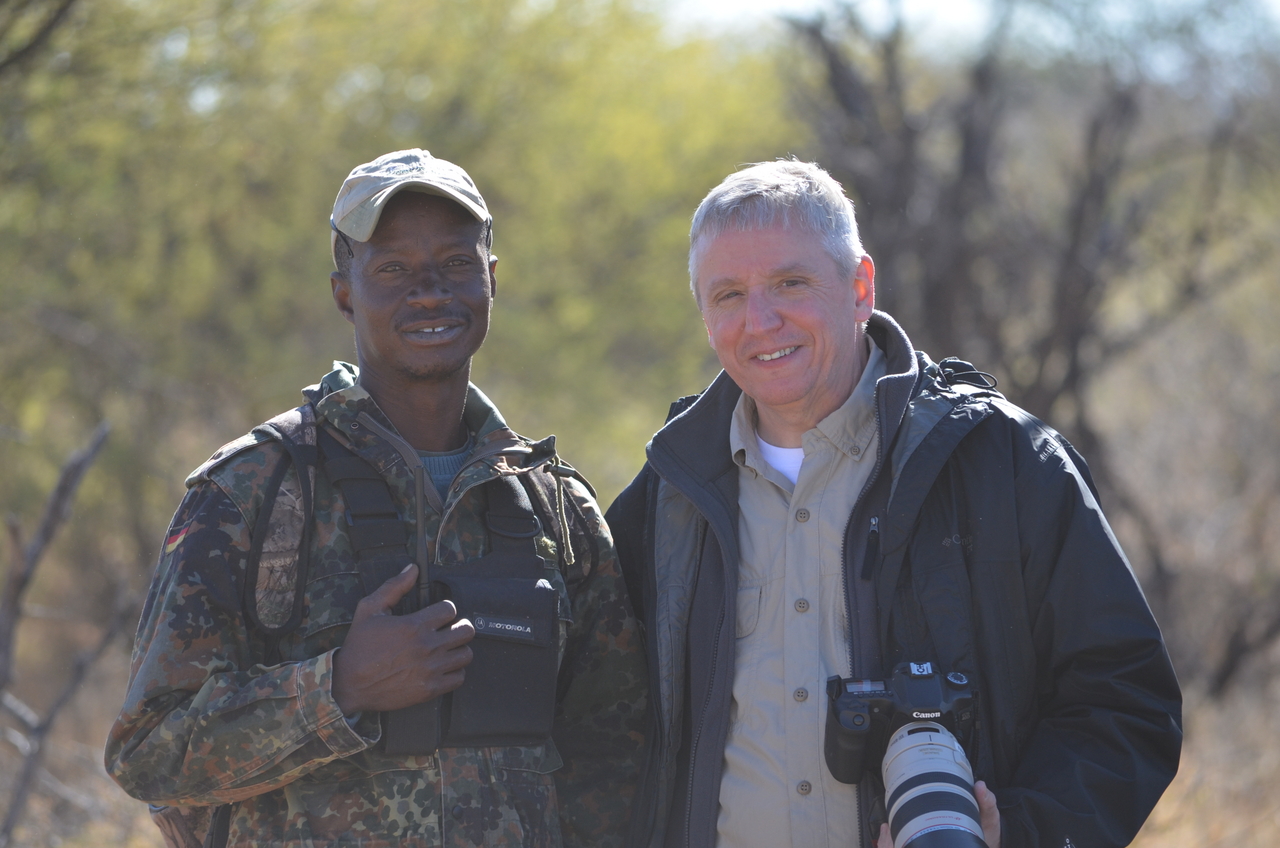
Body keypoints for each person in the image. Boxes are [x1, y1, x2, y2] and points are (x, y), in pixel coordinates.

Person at [607, 160, 1182, 848]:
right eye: (728, 295)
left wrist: (1018, 833)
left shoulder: (1003, 462)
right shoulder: (667, 496)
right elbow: (602, 728)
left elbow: (1126, 702)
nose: (760, 320)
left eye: (791, 283)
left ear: (859, 288)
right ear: (704, 317)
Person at [105, 149, 646, 848]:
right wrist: (337, 691)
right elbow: (149, 753)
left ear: (491, 279)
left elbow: (615, 762)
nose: (428, 291)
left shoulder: (554, 508)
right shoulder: (252, 492)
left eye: (455, 262)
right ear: (343, 291)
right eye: (392, 269)